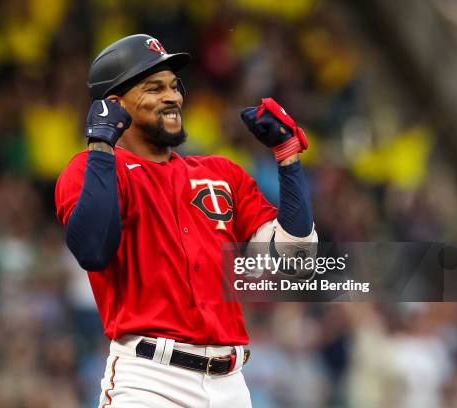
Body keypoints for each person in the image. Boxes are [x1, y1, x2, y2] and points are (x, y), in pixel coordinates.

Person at [55, 34, 317, 408]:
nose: (173, 97)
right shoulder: (93, 170)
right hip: (149, 381)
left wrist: (288, 160)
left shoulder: (220, 172)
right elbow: (93, 251)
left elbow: (295, 262)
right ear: (115, 105)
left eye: (175, 86)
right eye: (154, 88)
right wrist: (100, 148)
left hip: (232, 385)